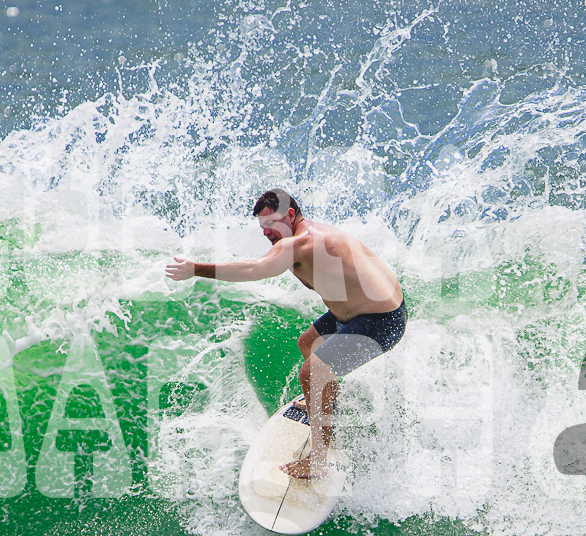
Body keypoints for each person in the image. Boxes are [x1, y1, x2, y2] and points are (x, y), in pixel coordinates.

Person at [165, 189, 406, 479]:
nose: (267, 232)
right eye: (263, 227)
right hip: (363, 311)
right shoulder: (312, 235)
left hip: (380, 321)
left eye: (272, 224)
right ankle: (329, 405)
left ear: (290, 215)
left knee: (312, 372)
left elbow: (253, 270)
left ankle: (317, 461)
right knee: (307, 343)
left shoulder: (302, 242)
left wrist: (196, 269)